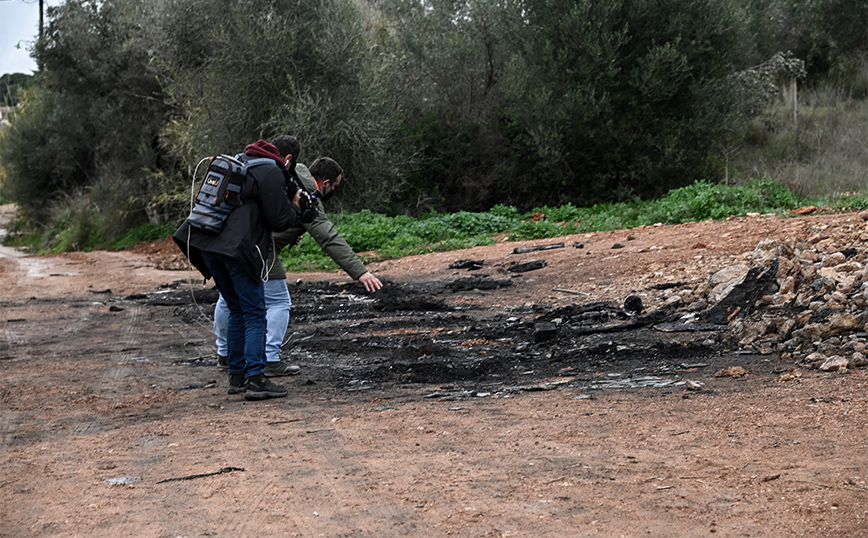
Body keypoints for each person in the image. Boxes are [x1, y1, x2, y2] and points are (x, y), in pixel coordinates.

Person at [213, 147, 383, 375]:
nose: (333, 191)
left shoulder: (289, 173)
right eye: (335, 187)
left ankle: (225, 353)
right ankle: (270, 358)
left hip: (231, 239)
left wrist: (293, 230)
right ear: (325, 184)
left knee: (229, 297)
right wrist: (361, 272)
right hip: (261, 249)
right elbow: (329, 238)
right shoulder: (308, 198)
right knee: (279, 302)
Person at [174, 138, 307, 400]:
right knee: (255, 312)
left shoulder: (240, 164)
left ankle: (237, 376)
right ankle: (256, 379)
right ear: (285, 160)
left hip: (207, 244)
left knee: (236, 308)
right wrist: (297, 208)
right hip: (236, 250)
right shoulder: (270, 171)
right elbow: (280, 220)